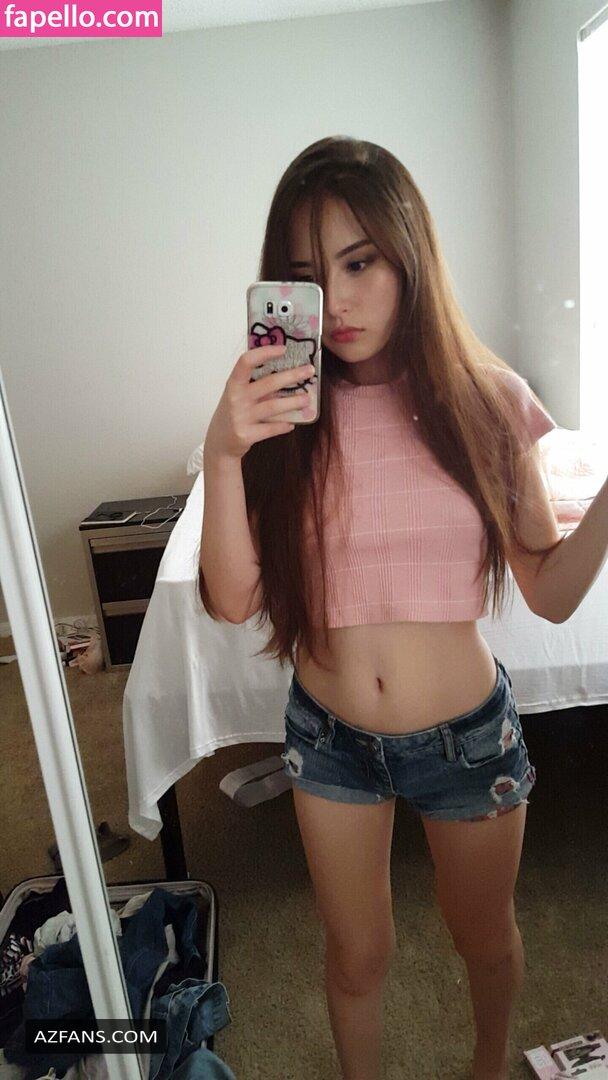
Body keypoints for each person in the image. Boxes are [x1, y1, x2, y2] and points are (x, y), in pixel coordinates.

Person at [197, 136, 566, 1080]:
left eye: (360, 263)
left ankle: (489, 1068)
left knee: (483, 938)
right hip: (329, 739)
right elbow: (232, 599)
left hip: (466, 739)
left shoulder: (489, 401)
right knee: (355, 955)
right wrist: (223, 453)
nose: (339, 301)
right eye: (309, 276)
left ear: (410, 256)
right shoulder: (281, 419)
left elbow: (553, 592)